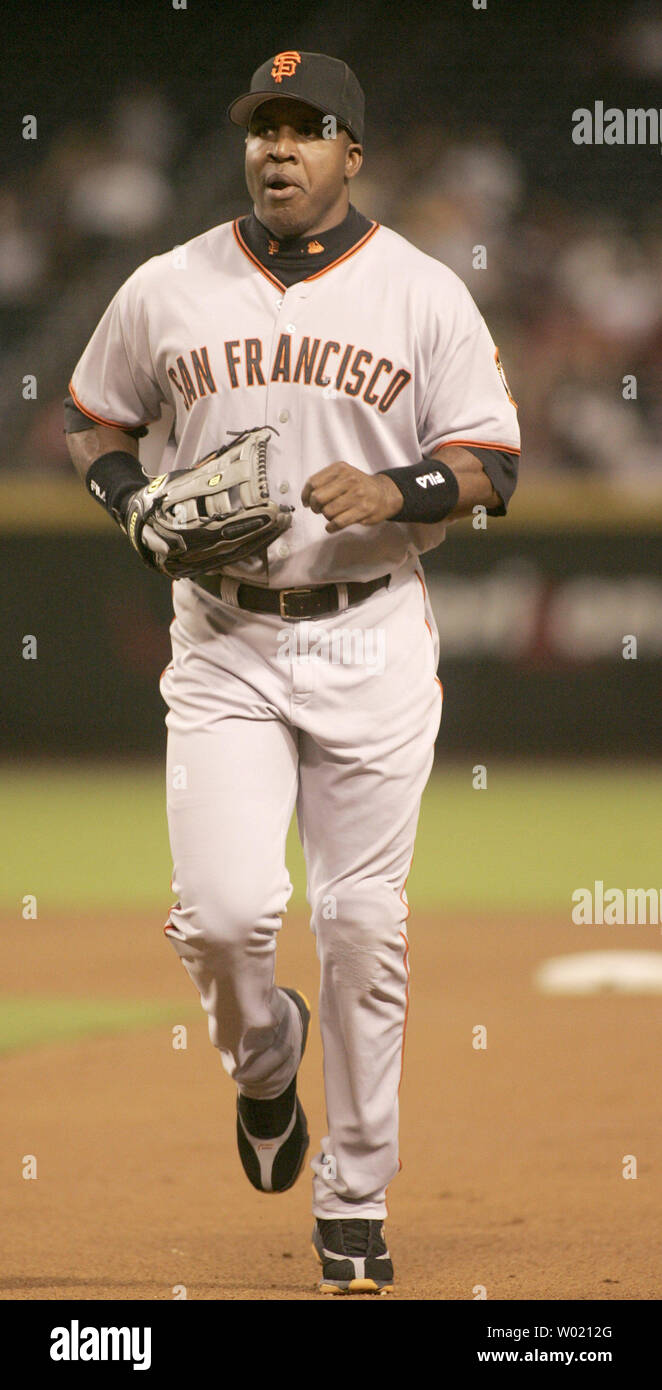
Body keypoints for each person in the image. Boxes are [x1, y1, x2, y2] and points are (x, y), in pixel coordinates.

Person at [64, 51, 520, 1296]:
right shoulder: (167, 286)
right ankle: (264, 1060)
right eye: (262, 129)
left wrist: (399, 487)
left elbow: (490, 461)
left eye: (305, 129)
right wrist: (132, 504)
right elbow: (93, 417)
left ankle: (354, 1202)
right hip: (222, 637)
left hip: (370, 631)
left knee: (363, 925)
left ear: (350, 153)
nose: (277, 148)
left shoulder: (422, 294)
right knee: (222, 916)